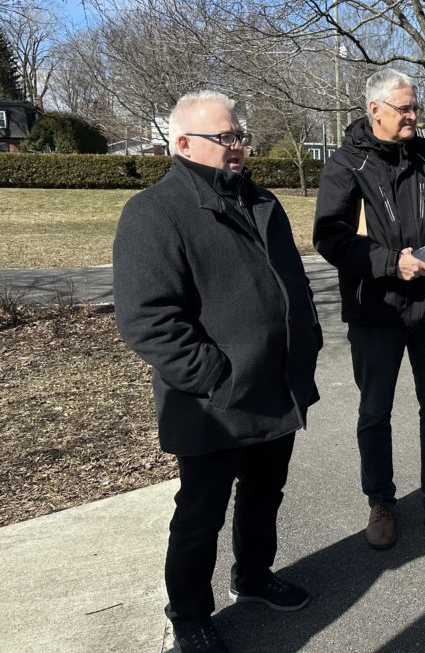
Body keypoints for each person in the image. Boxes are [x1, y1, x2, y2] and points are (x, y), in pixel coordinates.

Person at [113, 91, 322, 653]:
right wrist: (217, 377)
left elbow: (292, 283)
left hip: (276, 387)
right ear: (183, 143)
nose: (238, 146)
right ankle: (188, 614)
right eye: (224, 137)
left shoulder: (262, 202)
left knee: (265, 493)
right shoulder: (154, 212)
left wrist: (306, 341)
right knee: (200, 514)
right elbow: (147, 320)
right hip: (212, 402)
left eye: (239, 136)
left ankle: (253, 575)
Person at [313, 68, 425, 549]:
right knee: (375, 412)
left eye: (416, 107)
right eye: (404, 108)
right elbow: (330, 238)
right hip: (376, 312)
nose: (414, 115)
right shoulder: (346, 164)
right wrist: (391, 263)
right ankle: (381, 502)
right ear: (375, 109)